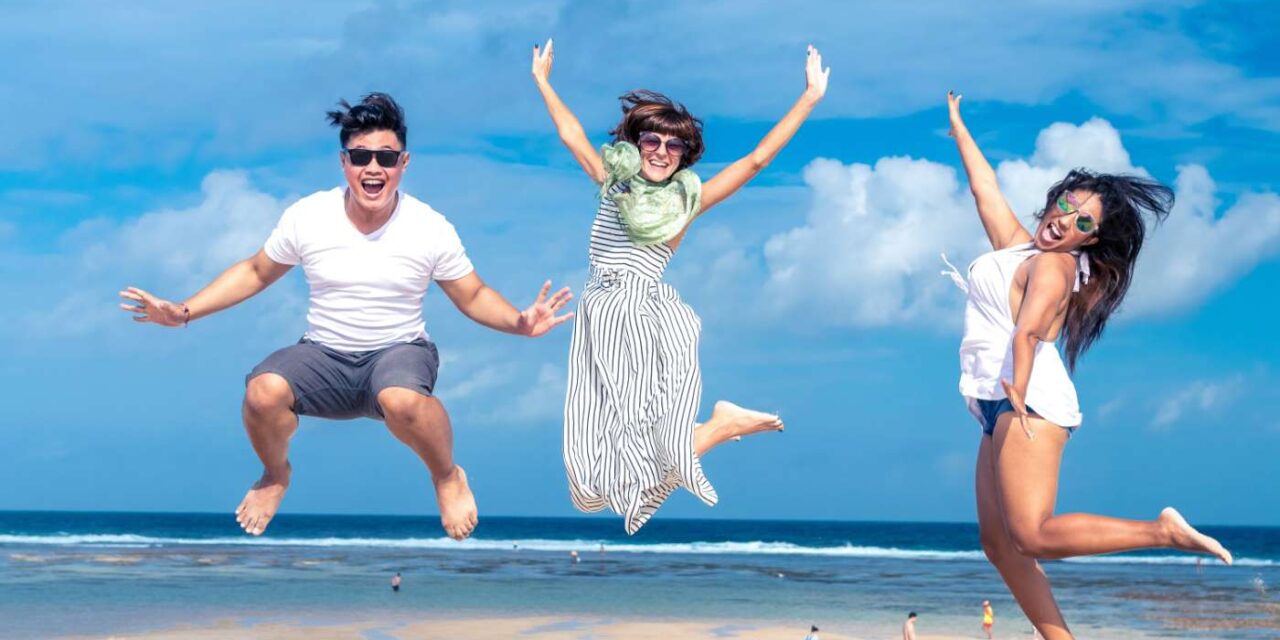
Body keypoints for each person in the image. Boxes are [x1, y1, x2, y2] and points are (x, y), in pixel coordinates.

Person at [119, 93, 573, 541]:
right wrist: (182, 312)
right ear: (344, 163)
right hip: (323, 356)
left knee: (401, 399)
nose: (373, 167)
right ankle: (276, 475)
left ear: (404, 163)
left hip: (399, 353)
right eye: (361, 156)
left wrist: (519, 322)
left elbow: (471, 294)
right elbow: (256, 271)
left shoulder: (430, 227)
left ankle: (446, 476)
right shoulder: (309, 216)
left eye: (385, 157)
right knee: (262, 392)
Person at [944, 91, 1233, 640]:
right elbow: (986, 191)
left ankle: (1161, 533)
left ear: (1091, 238)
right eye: (1063, 206)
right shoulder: (1020, 249)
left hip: (1027, 399)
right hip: (997, 400)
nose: (1063, 221)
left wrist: (1020, 384)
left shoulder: (1053, 267)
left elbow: (1028, 329)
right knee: (999, 546)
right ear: (1052, 202)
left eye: (1080, 220)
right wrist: (959, 127)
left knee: (1030, 535)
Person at [531, 38, 829, 534]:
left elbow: (755, 161)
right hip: (600, 313)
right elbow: (569, 134)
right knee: (587, 486)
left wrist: (809, 99)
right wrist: (542, 81)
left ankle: (719, 426)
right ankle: (718, 425)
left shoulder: (687, 201)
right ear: (636, 143)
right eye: (652, 141)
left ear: (685, 154)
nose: (663, 152)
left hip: (641, 314)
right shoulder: (614, 180)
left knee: (637, 458)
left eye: (675, 145)